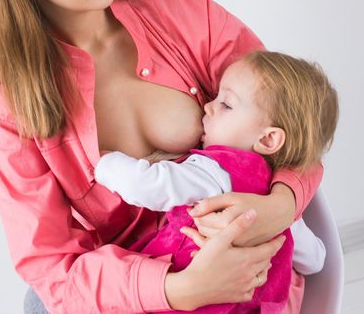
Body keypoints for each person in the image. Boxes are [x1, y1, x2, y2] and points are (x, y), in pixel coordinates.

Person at [0, 0, 324, 313]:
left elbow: (293, 119)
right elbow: (49, 263)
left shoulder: (179, 13)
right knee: (38, 304)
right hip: (144, 288)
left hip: (253, 276)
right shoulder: (11, 102)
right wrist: (179, 289)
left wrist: (280, 206)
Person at [95, 51, 336, 313]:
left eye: (226, 105)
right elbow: (315, 260)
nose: (208, 106)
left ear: (268, 139)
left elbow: (147, 185)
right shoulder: (279, 207)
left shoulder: (214, 172)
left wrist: (105, 164)